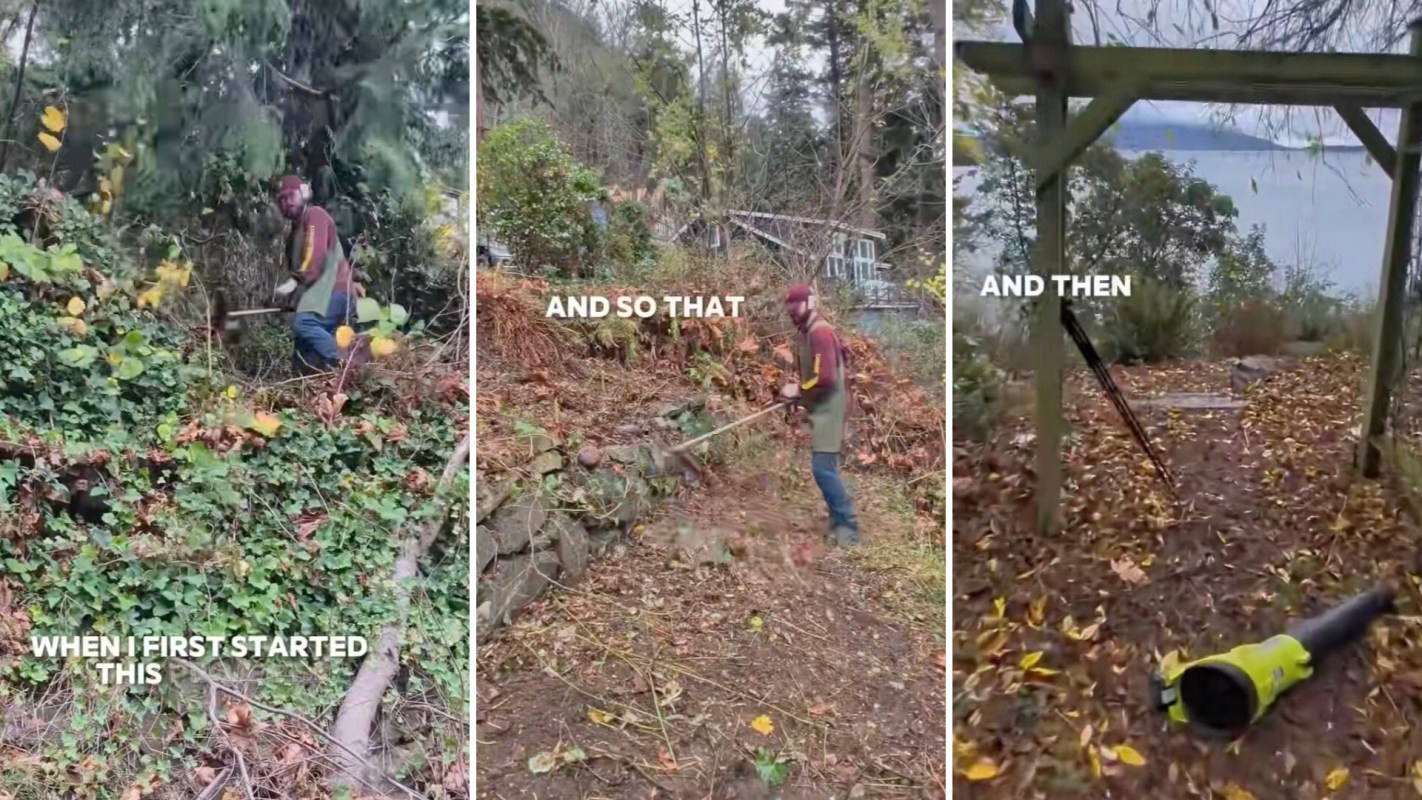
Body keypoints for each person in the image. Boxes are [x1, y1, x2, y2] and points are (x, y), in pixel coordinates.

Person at [779, 282, 859, 546]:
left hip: (831, 409)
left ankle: (848, 529)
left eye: (796, 305)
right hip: (826, 406)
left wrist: (798, 391)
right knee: (829, 468)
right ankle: (840, 522)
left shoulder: (820, 332)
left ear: (810, 304)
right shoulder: (810, 329)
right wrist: (802, 395)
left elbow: (824, 377)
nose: (792, 311)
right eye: (789, 306)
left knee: (823, 470)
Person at [273, 175, 358, 373]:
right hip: (318, 297)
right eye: (281, 200)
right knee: (303, 344)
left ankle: (348, 364)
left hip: (336, 291)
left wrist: (296, 281)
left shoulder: (315, 215)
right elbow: (300, 272)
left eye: (290, 196)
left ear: (303, 193)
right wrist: (292, 301)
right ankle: (305, 389)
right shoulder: (293, 237)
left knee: (304, 323)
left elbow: (314, 255)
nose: (286, 202)